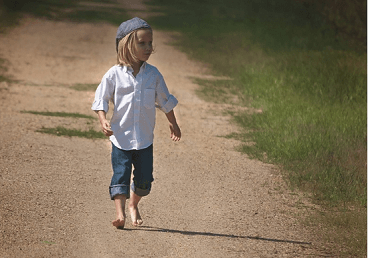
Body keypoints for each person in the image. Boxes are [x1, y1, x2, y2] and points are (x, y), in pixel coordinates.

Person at [91, 17, 181, 229]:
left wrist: (173, 123)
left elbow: (165, 100)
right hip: (120, 138)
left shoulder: (153, 75)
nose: (149, 47)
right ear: (127, 45)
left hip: (144, 141)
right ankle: (120, 215)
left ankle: (133, 203)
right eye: (142, 43)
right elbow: (101, 99)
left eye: (150, 43)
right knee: (120, 176)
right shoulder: (114, 75)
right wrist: (103, 120)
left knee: (144, 183)